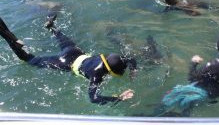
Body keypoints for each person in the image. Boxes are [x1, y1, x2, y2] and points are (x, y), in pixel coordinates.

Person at [0, 15, 137, 105]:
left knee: (61, 39)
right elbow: (94, 99)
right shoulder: (97, 76)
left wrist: (133, 70)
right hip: (66, 63)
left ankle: (51, 27)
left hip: (75, 52)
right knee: (29, 60)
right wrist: (119, 98)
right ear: (111, 71)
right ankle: (11, 39)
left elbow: (130, 59)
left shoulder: (112, 58)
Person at [159, 32, 219, 116]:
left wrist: (193, 63)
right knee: (186, 106)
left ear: (217, 46)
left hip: (202, 92)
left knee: (168, 97)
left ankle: (153, 116)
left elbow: (191, 78)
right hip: (217, 93)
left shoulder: (213, 65)